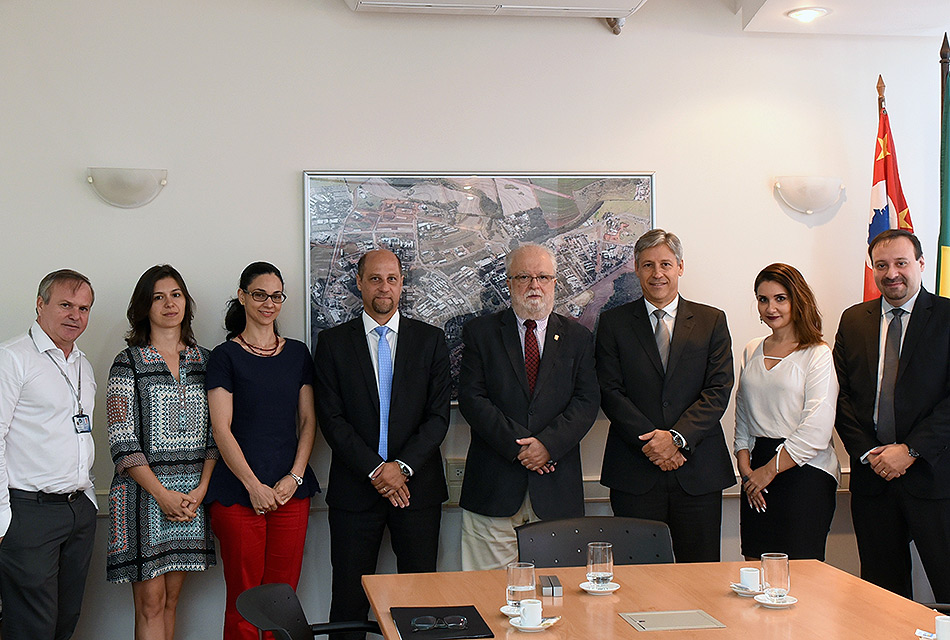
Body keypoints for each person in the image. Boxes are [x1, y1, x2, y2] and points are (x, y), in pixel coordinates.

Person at [314, 249, 451, 638]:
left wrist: (400, 468)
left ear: (402, 283)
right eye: (375, 278)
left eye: (392, 278)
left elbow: (438, 418)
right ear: (359, 283)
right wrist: (377, 470)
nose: (384, 287)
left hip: (417, 490)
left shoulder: (430, 341)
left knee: (420, 600)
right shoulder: (333, 343)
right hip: (355, 491)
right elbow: (332, 419)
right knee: (348, 601)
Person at [596, 229, 734, 563]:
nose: (657, 273)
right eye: (648, 265)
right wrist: (654, 443)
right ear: (636, 269)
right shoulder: (613, 323)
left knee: (698, 575)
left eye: (666, 264)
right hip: (635, 471)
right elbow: (610, 391)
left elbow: (718, 390)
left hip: (697, 471)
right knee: (637, 576)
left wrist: (676, 438)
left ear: (680, 267)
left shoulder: (711, 320)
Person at [458, 243, 600, 570]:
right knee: (486, 596)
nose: (534, 285)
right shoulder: (481, 334)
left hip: (556, 490)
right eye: (524, 276)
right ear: (509, 282)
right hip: (493, 490)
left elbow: (587, 401)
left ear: (554, 282)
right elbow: (472, 399)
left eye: (543, 277)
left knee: (557, 599)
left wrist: (548, 445)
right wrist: (521, 447)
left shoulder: (578, 338)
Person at [204, 261, 319, 640]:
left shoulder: (298, 353)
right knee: (245, 598)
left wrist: (294, 475)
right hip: (239, 493)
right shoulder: (225, 355)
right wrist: (253, 485)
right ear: (242, 296)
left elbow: (307, 422)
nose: (269, 303)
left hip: (291, 491)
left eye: (276, 296)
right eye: (259, 295)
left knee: (283, 599)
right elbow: (221, 428)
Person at [834, 229, 950, 600]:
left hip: (936, 480)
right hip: (873, 481)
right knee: (882, 598)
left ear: (920, 264)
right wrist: (870, 453)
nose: (891, 273)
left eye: (901, 263)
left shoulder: (947, 317)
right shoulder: (853, 320)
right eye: (881, 265)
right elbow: (839, 397)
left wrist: (910, 450)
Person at [106, 265, 217, 640]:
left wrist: (201, 490)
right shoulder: (128, 362)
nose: (169, 303)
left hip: (190, 497)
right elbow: (122, 441)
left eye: (176, 295)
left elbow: (219, 433)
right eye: (158, 297)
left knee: (171, 600)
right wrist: (161, 494)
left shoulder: (206, 361)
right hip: (142, 497)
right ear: (144, 307)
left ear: (186, 302)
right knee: (150, 604)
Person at [0, 269, 97, 640]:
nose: (75, 315)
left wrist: (86, 500)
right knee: (31, 628)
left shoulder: (82, 365)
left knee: (65, 620)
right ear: (40, 305)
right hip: (28, 512)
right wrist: (2, 518)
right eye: (66, 305)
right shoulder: (13, 358)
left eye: (84, 308)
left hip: (77, 510)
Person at [733, 263, 839, 561]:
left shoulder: (817, 353)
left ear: (797, 300)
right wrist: (747, 473)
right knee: (756, 567)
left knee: (800, 576)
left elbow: (817, 429)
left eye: (780, 298)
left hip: (805, 472)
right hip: (755, 472)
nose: (770, 307)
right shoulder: (752, 349)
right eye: (762, 299)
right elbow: (742, 418)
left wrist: (768, 472)